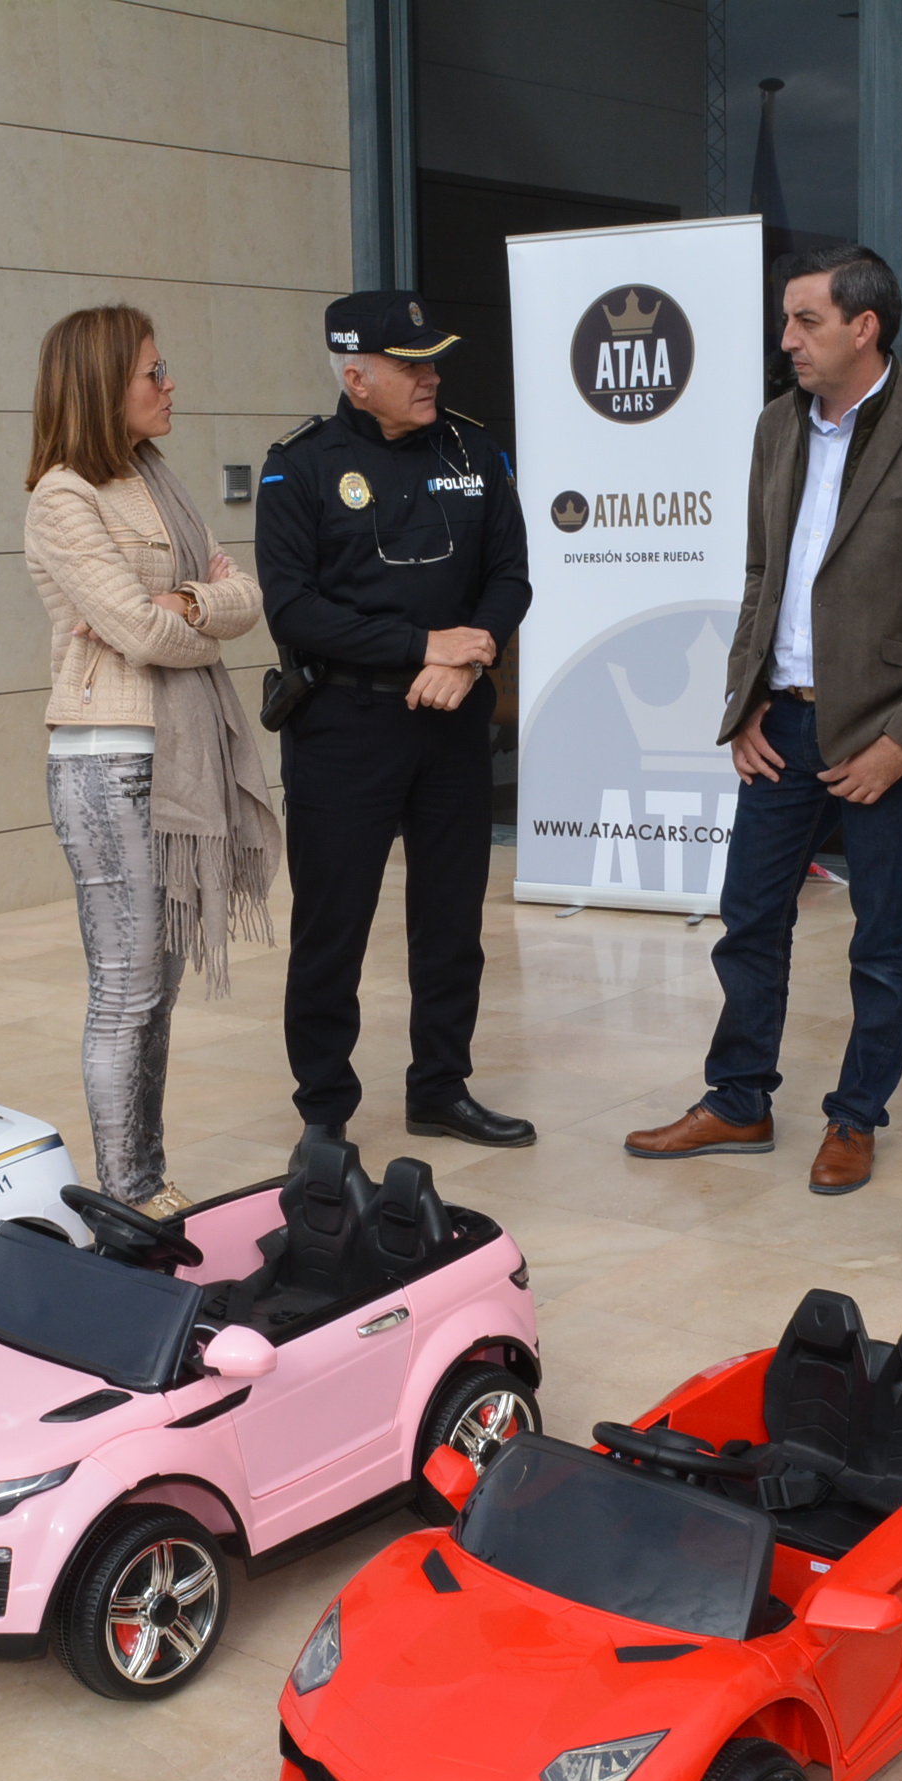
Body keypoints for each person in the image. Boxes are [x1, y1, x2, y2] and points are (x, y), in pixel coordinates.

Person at [624, 245, 902, 1194]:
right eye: (786, 320)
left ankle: (856, 1116)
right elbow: (762, 576)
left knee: (883, 936)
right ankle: (739, 1099)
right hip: (778, 727)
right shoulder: (776, 428)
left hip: (881, 736)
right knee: (749, 921)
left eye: (806, 321)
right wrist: (743, 702)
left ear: (864, 327)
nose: (786, 339)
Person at [256, 291, 535, 1152]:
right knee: (332, 927)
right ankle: (324, 1112)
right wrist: (424, 645)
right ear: (356, 374)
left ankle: (440, 1088)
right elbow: (293, 609)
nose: (431, 377)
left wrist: (466, 658)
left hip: (452, 724)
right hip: (345, 725)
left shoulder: (474, 449)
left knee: (452, 924)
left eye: (433, 361)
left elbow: (511, 576)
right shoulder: (298, 465)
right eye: (410, 365)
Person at [24, 305, 280, 1220]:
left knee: (158, 989)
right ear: (102, 387)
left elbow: (245, 596)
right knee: (126, 990)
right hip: (107, 765)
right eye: (152, 374)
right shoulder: (64, 498)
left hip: (175, 756)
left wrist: (177, 602)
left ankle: (149, 1181)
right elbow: (135, 632)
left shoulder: (158, 481)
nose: (170, 385)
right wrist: (176, 611)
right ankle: (126, 1194)